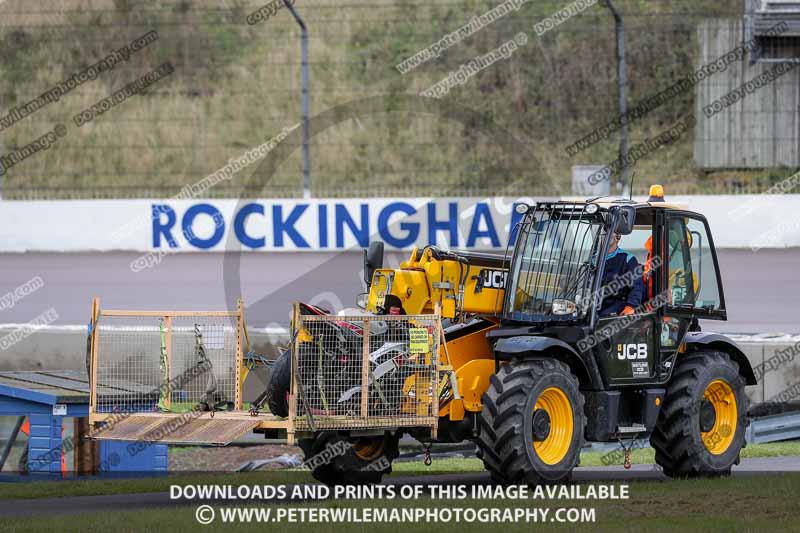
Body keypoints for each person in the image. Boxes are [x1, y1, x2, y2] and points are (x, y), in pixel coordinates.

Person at [598, 233, 644, 317]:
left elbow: (637, 287)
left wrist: (631, 306)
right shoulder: (593, 261)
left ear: (618, 237)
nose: (604, 234)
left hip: (618, 306)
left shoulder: (628, 259)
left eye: (607, 232)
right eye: (603, 232)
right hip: (595, 306)